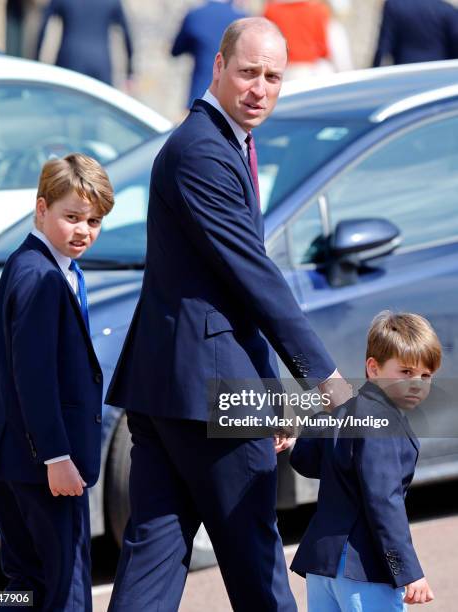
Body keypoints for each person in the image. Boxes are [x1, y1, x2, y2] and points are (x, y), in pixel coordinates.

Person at [105, 16, 351, 612]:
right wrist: (324, 379)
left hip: (175, 389)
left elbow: (226, 291)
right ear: (217, 68)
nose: (259, 87)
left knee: (153, 566)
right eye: (247, 72)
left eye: (273, 76)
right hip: (208, 393)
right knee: (256, 561)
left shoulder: (221, 143)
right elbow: (253, 275)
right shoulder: (202, 152)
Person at [0, 154, 114, 611]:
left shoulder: (29, 264)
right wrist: (57, 456)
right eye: (71, 217)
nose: (83, 230)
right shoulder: (41, 277)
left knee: (25, 580)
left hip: (9, 456)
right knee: (65, 583)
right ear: (41, 209)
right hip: (42, 464)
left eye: (93, 221)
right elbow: (34, 376)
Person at [290, 311, 441, 611]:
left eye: (426, 376)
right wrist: (409, 573)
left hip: (324, 568)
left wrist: (297, 438)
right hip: (363, 568)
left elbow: (305, 460)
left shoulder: (345, 412)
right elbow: (383, 501)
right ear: (373, 368)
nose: (417, 384)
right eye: (406, 372)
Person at [35, 0, 134, 86]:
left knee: (64, 103)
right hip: (101, 64)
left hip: (69, 59)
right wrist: (130, 71)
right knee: (100, 105)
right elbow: (126, 32)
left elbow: (44, 26)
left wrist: (36, 62)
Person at [171, 0, 247, 108]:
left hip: (200, 95)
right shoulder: (242, 20)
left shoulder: (195, 15)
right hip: (233, 100)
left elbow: (176, 50)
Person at [373, 0, 458, 67]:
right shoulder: (447, 10)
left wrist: (375, 72)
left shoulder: (394, 5)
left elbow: (384, 47)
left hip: (405, 71)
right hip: (439, 73)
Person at [263, 0, 334, 79]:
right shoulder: (317, 8)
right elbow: (325, 46)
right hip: (311, 67)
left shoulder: (270, 10)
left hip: (284, 69)